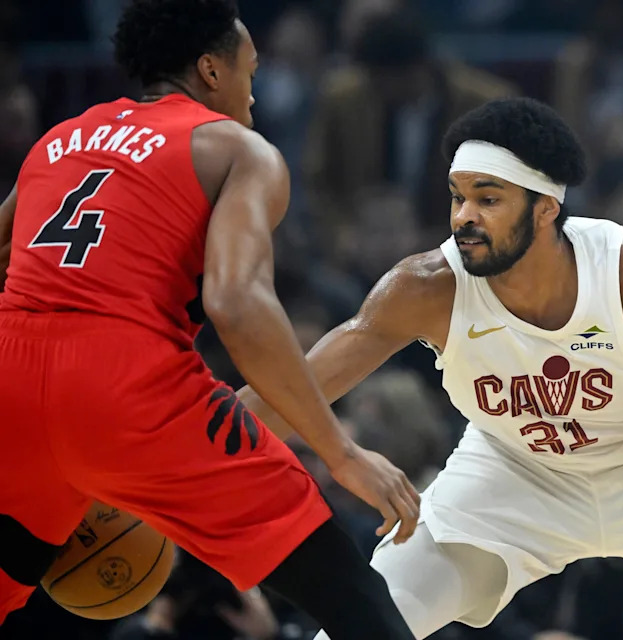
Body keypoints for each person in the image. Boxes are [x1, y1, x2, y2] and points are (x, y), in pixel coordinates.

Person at [240, 97, 623, 640]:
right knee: (354, 626)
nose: (463, 217)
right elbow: (292, 388)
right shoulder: (425, 287)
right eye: (458, 197)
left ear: (544, 209)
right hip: (513, 474)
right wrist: (192, 443)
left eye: (488, 199)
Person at [0, 1, 418, 637]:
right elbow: (236, 303)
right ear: (211, 70)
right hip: (125, 383)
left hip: (11, 375)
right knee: (349, 594)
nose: (253, 91)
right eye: (250, 69)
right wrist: (340, 451)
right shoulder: (238, 149)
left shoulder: (59, 139)